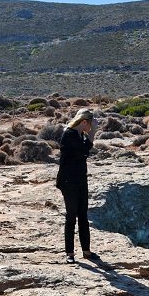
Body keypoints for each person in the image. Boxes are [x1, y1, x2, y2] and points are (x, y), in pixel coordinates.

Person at [56, 108, 99, 263]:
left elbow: (84, 153)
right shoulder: (69, 135)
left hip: (80, 180)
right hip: (69, 181)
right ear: (84, 122)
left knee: (83, 216)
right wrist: (92, 134)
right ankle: (69, 253)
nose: (91, 127)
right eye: (90, 124)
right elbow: (84, 150)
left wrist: (89, 135)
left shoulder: (79, 135)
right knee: (71, 216)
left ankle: (86, 251)